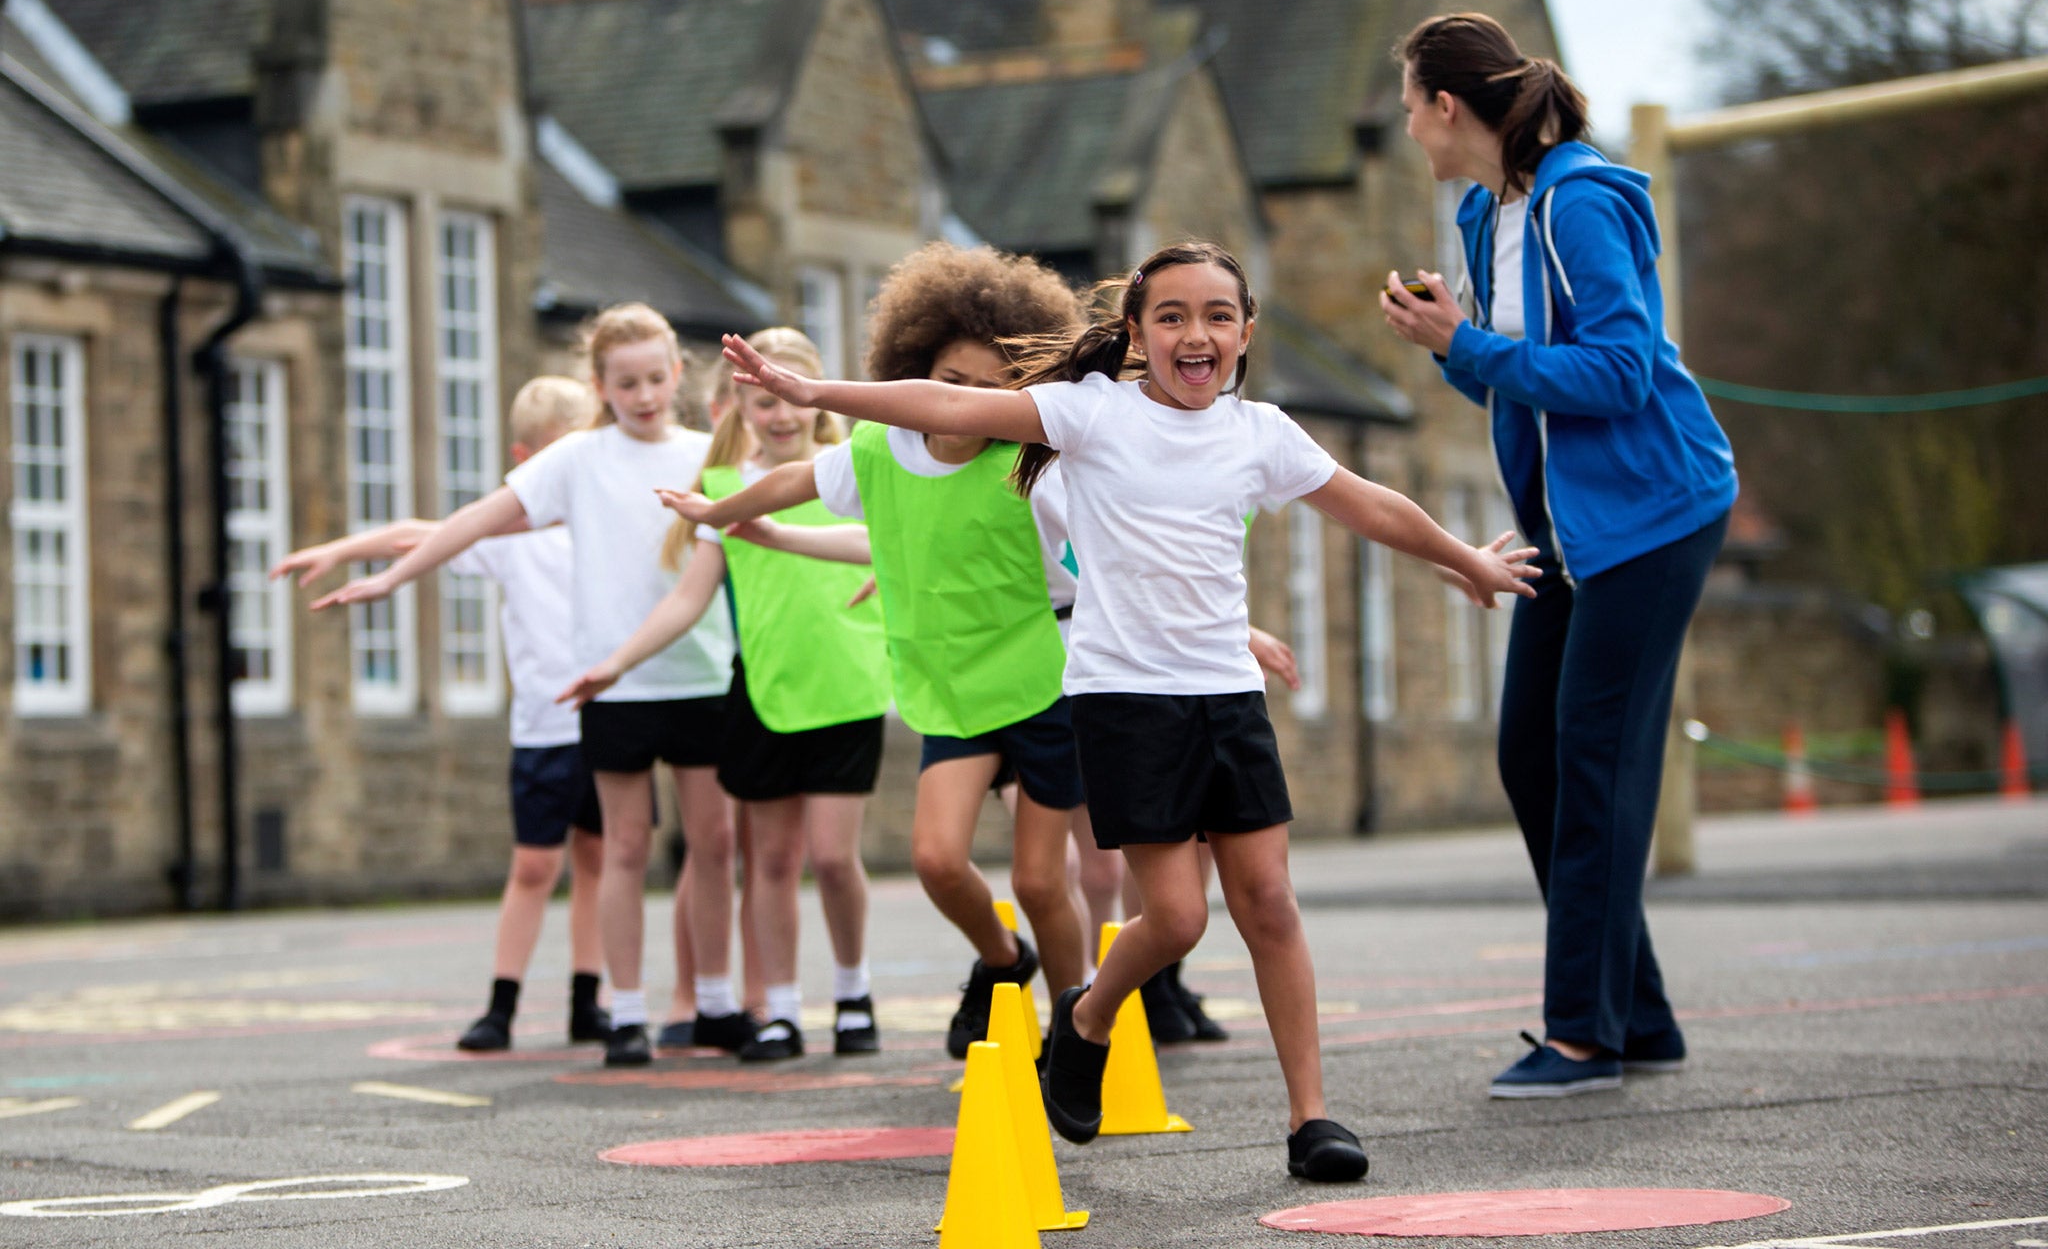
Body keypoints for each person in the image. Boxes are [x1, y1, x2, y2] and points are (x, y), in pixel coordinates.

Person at [715, 240, 1539, 1183]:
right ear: (1139, 334)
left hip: (1226, 695)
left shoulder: (1261, 433)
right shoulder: (1089, 414)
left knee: (1268, 901)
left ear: (1244, 333)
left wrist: (1464, 559)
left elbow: (1368, 504)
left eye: (1217, 316)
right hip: (1124, 699)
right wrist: (820, 396)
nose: (1197, 334)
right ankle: (1089, 1013)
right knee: (1178, 920)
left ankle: (1312, 1119)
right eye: (1173, 316)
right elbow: (948, 404)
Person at [1383, 12, 1738, 1099]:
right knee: (1527, 758)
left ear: (1448, 106)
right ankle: (1639, 1017)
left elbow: (1619, 374)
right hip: (1564, 529)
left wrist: (1469, 345)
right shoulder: (1482, 208)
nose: (1407, 127)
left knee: (1591, 761)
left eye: (1409, 105)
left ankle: (1581, 1036)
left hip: (1651, 514)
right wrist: (1455, 347)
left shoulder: (1579, 202)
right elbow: (1516, 378)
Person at [667, 244, 1095, 1059]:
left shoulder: (1038, 473)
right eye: (948, 381)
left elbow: (1107, 567)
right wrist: (721, 514)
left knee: (1042, 880)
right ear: (911, 373)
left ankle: (1075, 1034)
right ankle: (1004, 962)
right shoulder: (878, 452)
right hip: (952, 682)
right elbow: (793, 484)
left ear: (1023, 397)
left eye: (990, 390)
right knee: (936, 859)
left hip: (1048, 675)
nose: (963, 403)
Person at [314, 304, 749, 1068]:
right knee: (623, 849)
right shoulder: (577, 460)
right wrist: (391, 579)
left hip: (700, 677)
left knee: (713, 845)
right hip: (610, 687)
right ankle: (626, 1015)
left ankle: (714, 1002)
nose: (643, 394)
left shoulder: (708, 453)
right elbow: (477, 518)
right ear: (600, 385)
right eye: (626, 383)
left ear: (678, 375)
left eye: (655, 378)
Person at [561, 329, 890, 1063]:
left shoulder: (856, 471)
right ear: (737, 405)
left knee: (834, 858)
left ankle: (853, 991)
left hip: (849, 684)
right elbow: (687, 598)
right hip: (765, 693)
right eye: (760, 402)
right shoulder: (724, 493)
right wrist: (616, 663)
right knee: (769, 862)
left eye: (787, 399)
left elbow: (903, 547)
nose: (778, 416)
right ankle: (778, 1009)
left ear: (813, 398)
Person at [274, 376, 612, 1052]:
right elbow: (419, 536)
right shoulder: (510, 537)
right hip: (544, 731)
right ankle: (502, 1005)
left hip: (609, 721)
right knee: (534, 867)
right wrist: (342, 550)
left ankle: (588, 999)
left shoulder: (608, 527)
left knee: (602, 864)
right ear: (524, 460)